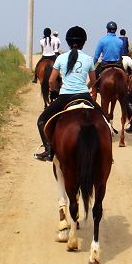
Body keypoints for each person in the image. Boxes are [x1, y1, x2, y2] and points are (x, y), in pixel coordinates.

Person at [34, 26, 96, 162]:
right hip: (84, 95)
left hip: (65, 97)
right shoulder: (88, 59)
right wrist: (86, 87)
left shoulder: (61, 58)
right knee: (104, 120)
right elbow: (93, 80)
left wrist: (53, 89)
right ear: (84, 42)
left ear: (68, 42)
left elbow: (51, 81)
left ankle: (49, 151)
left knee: (41, 121)